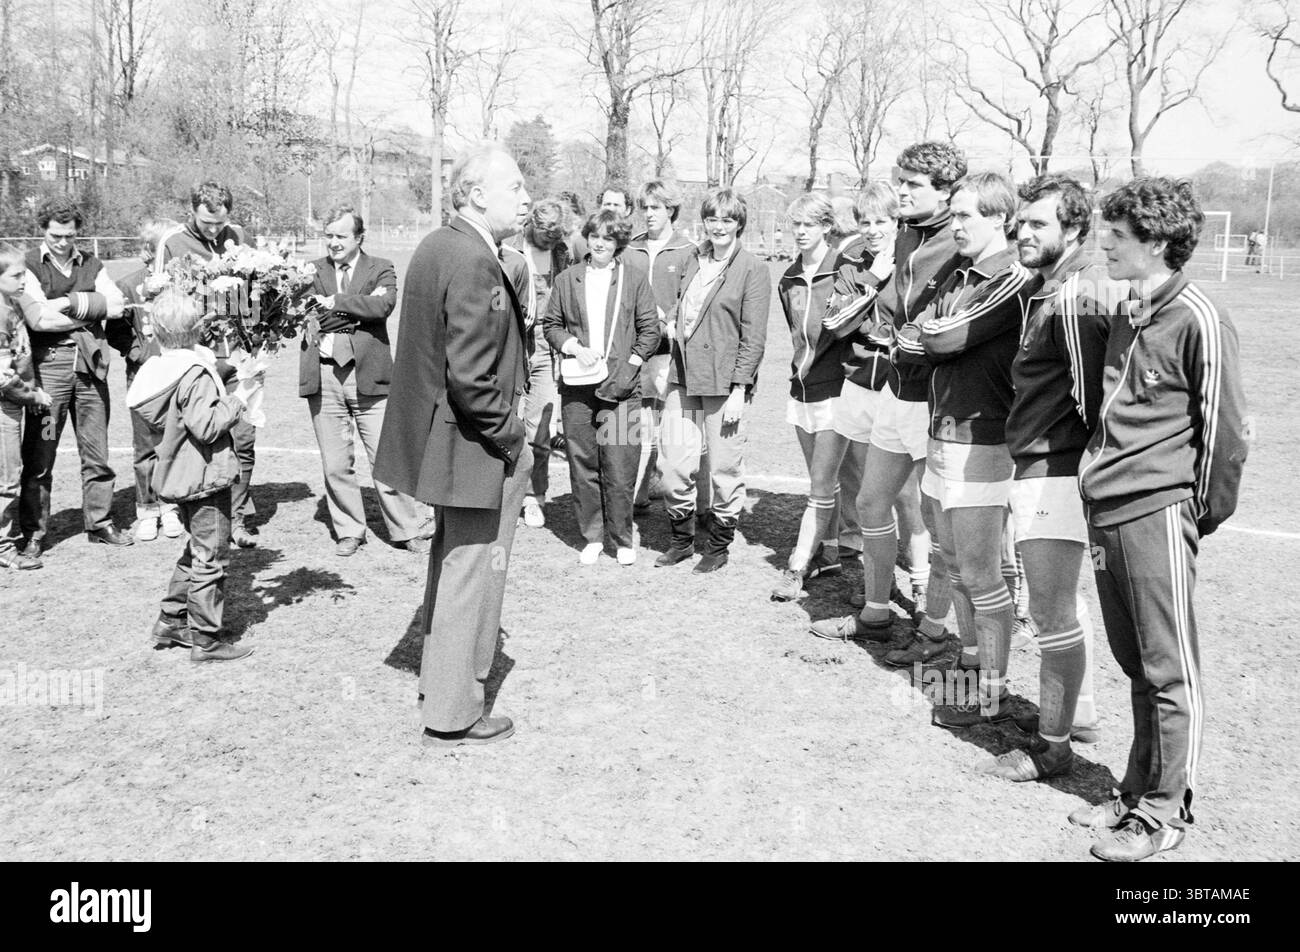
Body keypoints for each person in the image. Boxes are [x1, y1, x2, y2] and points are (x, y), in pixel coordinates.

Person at [1074, 177, 1248, 862]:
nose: (1105, 244)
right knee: (1136, 664)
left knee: (1170, 669)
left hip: (1157, 512)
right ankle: (1135, 789)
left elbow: (1226, 436)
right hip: (1106, 512)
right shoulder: (1127, 307)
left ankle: (1165, 812)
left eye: (1117, 235)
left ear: (1156, 241)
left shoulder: (1200, 316)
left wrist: (1191, 516)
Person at [373, 143, 532, 749]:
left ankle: (438, 684)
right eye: (513, 187)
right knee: (471, 571)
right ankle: (452, 710)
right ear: (474, 194)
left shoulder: (439, 245)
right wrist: (514, 436)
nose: (524, 197)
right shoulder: (471, 259)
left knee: (452, 566)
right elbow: (472, 377)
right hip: (472, 446)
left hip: (445, 443)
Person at [983, 173, 1120, 782]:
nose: (1022, 232)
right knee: (1061, 606)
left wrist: (1081, 474)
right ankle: (1074, 716)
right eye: (1021, 221)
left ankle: (1054, 747)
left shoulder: (1077, 295)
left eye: (1039, 223)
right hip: (1040, 467)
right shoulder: (1052, 287)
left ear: (1074, 228)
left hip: (1056, 470)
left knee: (1052, 611)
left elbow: (1101, 400)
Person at [893, 172, 1040, 729]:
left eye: (966, 216)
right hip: (941, 433)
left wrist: (930, 337)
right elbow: (912, 336)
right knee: (952, 562)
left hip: (983, 437)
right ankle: (973, 664)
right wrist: (928, 337)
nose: (955, 225)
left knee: (981, 573)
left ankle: (994, 694)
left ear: (1000, 219)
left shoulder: (1012, 276)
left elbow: (941, 338)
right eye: (951, 215)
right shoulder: (959, 273)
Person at [809, 142, 964, 650]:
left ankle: (935, 629)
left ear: (944, 192)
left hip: (937, 402)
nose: (902, 191)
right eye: (901, 181)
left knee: (939, 522)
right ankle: (876, 614)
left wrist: (926, 335)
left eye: (914, 184)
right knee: (873, 502)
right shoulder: (903, 236)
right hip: (895, 390)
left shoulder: (960, 240)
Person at [126, 286, 264, 662]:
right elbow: (206, 426)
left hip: (177, 474)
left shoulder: (157, 369)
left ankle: (172, 618)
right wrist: (239, 397)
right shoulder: (194, 374)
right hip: (205, 476)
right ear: (197, 329)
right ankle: (206, 638)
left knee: (196, 548)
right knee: (212, 558)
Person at [299, 205, 429, 557]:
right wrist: (356, 310)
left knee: (386, 457)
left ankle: (406, 529)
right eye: (329, 236)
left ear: (359, 237)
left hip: (368, 375)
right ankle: (349, 531)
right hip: (324, 375)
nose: (333, 243)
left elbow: (383, 307)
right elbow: (308, 314)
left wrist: (336, 303)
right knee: (336, 462)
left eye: (341, 236)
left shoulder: (381, 267)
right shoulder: (309, 270)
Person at [655, 188, 769, 573]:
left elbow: (753, 337)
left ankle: (717, 548)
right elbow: (680, 304)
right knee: (672, 464)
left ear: (739, 224)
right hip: (683, 376)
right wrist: (670, 320)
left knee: (724, 468)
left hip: (725, 382)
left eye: (727, 220)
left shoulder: (752, 268)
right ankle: (681, 541)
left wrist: (740, 388)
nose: (718, 227)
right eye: (712, 218)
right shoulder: (692, 257)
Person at [542, 209, 659, 565]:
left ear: (618, 242)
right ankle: (592, 535)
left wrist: (631, 367)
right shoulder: (567, 279)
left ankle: (622, 538)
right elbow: (551, 324)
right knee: (583, 462)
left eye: (608, 239)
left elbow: (649, 331)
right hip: (578, 389)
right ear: (587, 239)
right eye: (595, 237)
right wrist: (574, 347)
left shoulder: (634, 278)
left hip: (622, 387)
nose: (600, 244)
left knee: (621, 466)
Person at [18, 197, 129, 557]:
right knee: (43, 450)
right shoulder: (30, 265)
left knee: (96, 449)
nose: (62, 242)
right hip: (50, 372)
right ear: (42, 230)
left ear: (77, 232)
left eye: (69, 235)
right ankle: (34, 531)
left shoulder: (93, 263)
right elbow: (38, 320)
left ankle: (99, 522)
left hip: (90, 368)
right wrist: (90, 311)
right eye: (55, 235)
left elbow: (116, 307)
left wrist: (66, 303)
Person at [159, 182, 259, 549]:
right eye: (206, 222)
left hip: (240, 356)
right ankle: (200, 519)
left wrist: (255, 339)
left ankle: (238, 518)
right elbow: (163, 304)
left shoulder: (242, 237)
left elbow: (257, 293)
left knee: (245, 438)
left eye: (220, 223)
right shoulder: (173, 243)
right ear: (192, 211)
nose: (214, 230)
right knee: (206, 439)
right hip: (197, 361)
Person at [771, 194, 852, 600]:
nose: (800, 232)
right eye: (795, 225)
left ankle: (797, 565)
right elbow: (795, 334)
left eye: (809, 224)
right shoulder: (786, 277)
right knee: (824, 481)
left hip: (837, 392)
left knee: (820, 486)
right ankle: (833, 551)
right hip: (800, 390)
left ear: (825, 226)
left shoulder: (845, 270)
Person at [624, 180, 699, 514]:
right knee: (634, 425)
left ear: (671, 210)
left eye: (655, 207)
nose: (649, 214)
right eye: (645, 207)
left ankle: (696, 502)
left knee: (676, 426)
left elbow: (690, 298)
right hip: (636, 353)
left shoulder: (688, 250)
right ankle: (637, 491)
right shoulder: (630, 249)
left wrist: (666, 319)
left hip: (670, 353)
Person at [111, 218, 183, 543]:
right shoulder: (128, 285)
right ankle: (147, 509)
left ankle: (171, 507)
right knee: (144, 446)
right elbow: (114, 330)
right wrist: (136, 351)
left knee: (174, 443)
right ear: (148, 250)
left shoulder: (182, 285)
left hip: (176, 376)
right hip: (142, 377)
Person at [503, 199, 572, 529]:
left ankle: (534, 497)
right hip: (512, 341)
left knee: (540, 428)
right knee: (502, 423)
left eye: (555, 235)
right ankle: (501, 497)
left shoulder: (562, 252)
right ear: (530, 224)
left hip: (546, 344)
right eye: (544, 233)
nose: (549, 240)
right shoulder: (509, 247)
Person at [1, 246, 52, 570]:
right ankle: (3, 546)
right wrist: (33, 397)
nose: (23, 279)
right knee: (6, 478)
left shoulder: (12, 305)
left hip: (13, 405)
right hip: (4, 408)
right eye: (16, 275)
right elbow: (2, 378)